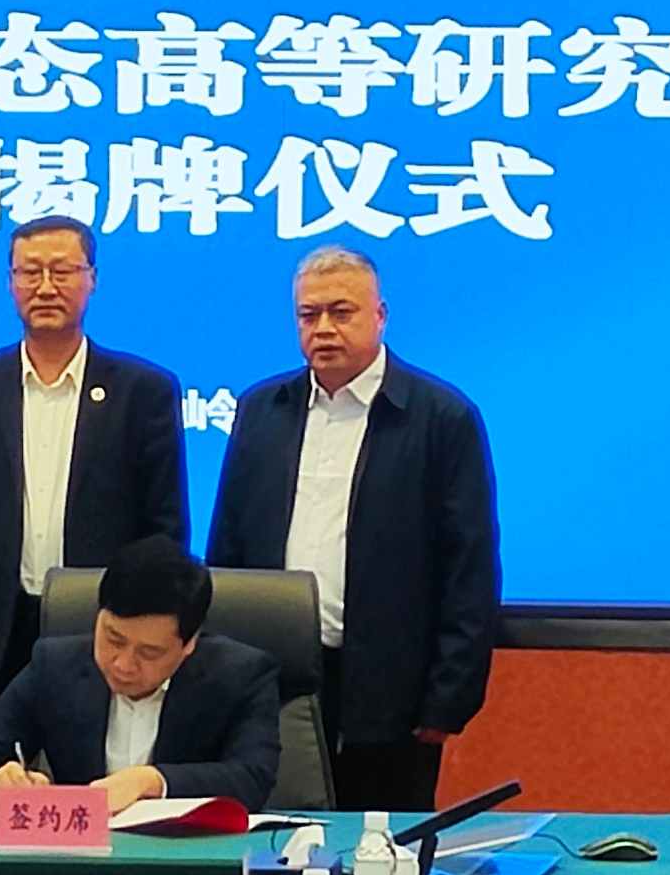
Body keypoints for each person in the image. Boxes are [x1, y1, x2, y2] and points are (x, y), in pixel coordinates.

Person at [207, 246, 498, 811]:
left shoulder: (441, 417)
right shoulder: (262, 409)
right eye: (309, 314)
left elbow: (469, 569)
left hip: (392, 686)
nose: (323, 329)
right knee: (273, 833)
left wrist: (449, 697)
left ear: (380, 316)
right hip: (273, 674)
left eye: (341, 312)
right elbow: (228, 546)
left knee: (382, 843)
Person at [0, 215, 188, 739]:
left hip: (103, 629)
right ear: (11, 282)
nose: (46, 286)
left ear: (92, 279)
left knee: (94, 776)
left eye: (62, 270)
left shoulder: (143, 391)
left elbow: (165, 528)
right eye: (30, 272)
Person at [0, 536, 282, 812]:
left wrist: (151, 781)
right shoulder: (54, 666)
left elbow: (252, 778)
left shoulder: (241, 675)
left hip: (191, 859)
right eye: (113, 639)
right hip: (82, 863)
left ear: (189, 643)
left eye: (149, 652)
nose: (123, 663)